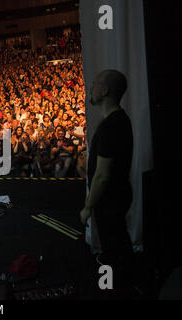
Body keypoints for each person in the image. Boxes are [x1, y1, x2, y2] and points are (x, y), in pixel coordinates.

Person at [79, 70, 135, 293]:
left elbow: (102, 176)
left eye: (94, 84)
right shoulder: (120, 120)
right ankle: (129, 282)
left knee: (113, 250)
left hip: (109, 202)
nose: (90, 88)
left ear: (104, 91)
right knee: (120, 245)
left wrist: (87, 207)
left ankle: (116, 289)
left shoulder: (111, 126)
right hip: (118, 197)